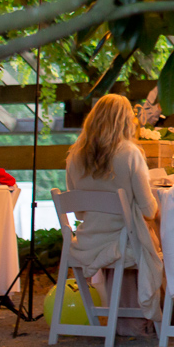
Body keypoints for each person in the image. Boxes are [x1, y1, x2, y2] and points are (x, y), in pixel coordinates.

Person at [64, 93, 164, 330]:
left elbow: (78, 212)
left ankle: (126, 320)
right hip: (122, 244)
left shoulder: (74, 156)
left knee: (141, 235)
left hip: (87, 242)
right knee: (158, 237)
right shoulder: (129, 153)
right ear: (125, 121)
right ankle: (151, 317)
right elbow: (148, 209)